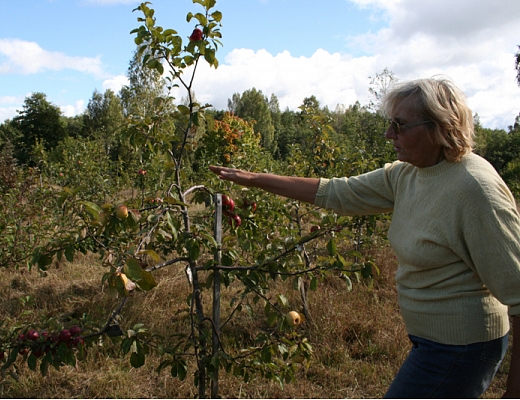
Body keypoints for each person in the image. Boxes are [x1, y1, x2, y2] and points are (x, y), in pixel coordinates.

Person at [209, 77, 520, 398]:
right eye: (390, 124)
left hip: (462, 347)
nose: (389, 135)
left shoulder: (474, 188)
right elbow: (339, 192)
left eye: (400, 126)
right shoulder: (409, 173)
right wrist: (253, 178)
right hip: (434, 341)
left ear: (439, 127)